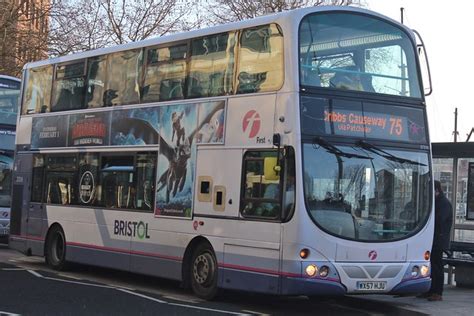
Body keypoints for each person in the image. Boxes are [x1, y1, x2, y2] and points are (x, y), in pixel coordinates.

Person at [418, 180, 453, 301]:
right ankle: (430, 290)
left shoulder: (443, 203)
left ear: (436, 190)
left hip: (438, 240)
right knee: (431, 265)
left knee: (437, 266)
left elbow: (439, 221)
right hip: (433, 239)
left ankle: (438, 292)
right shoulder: (436, 202)